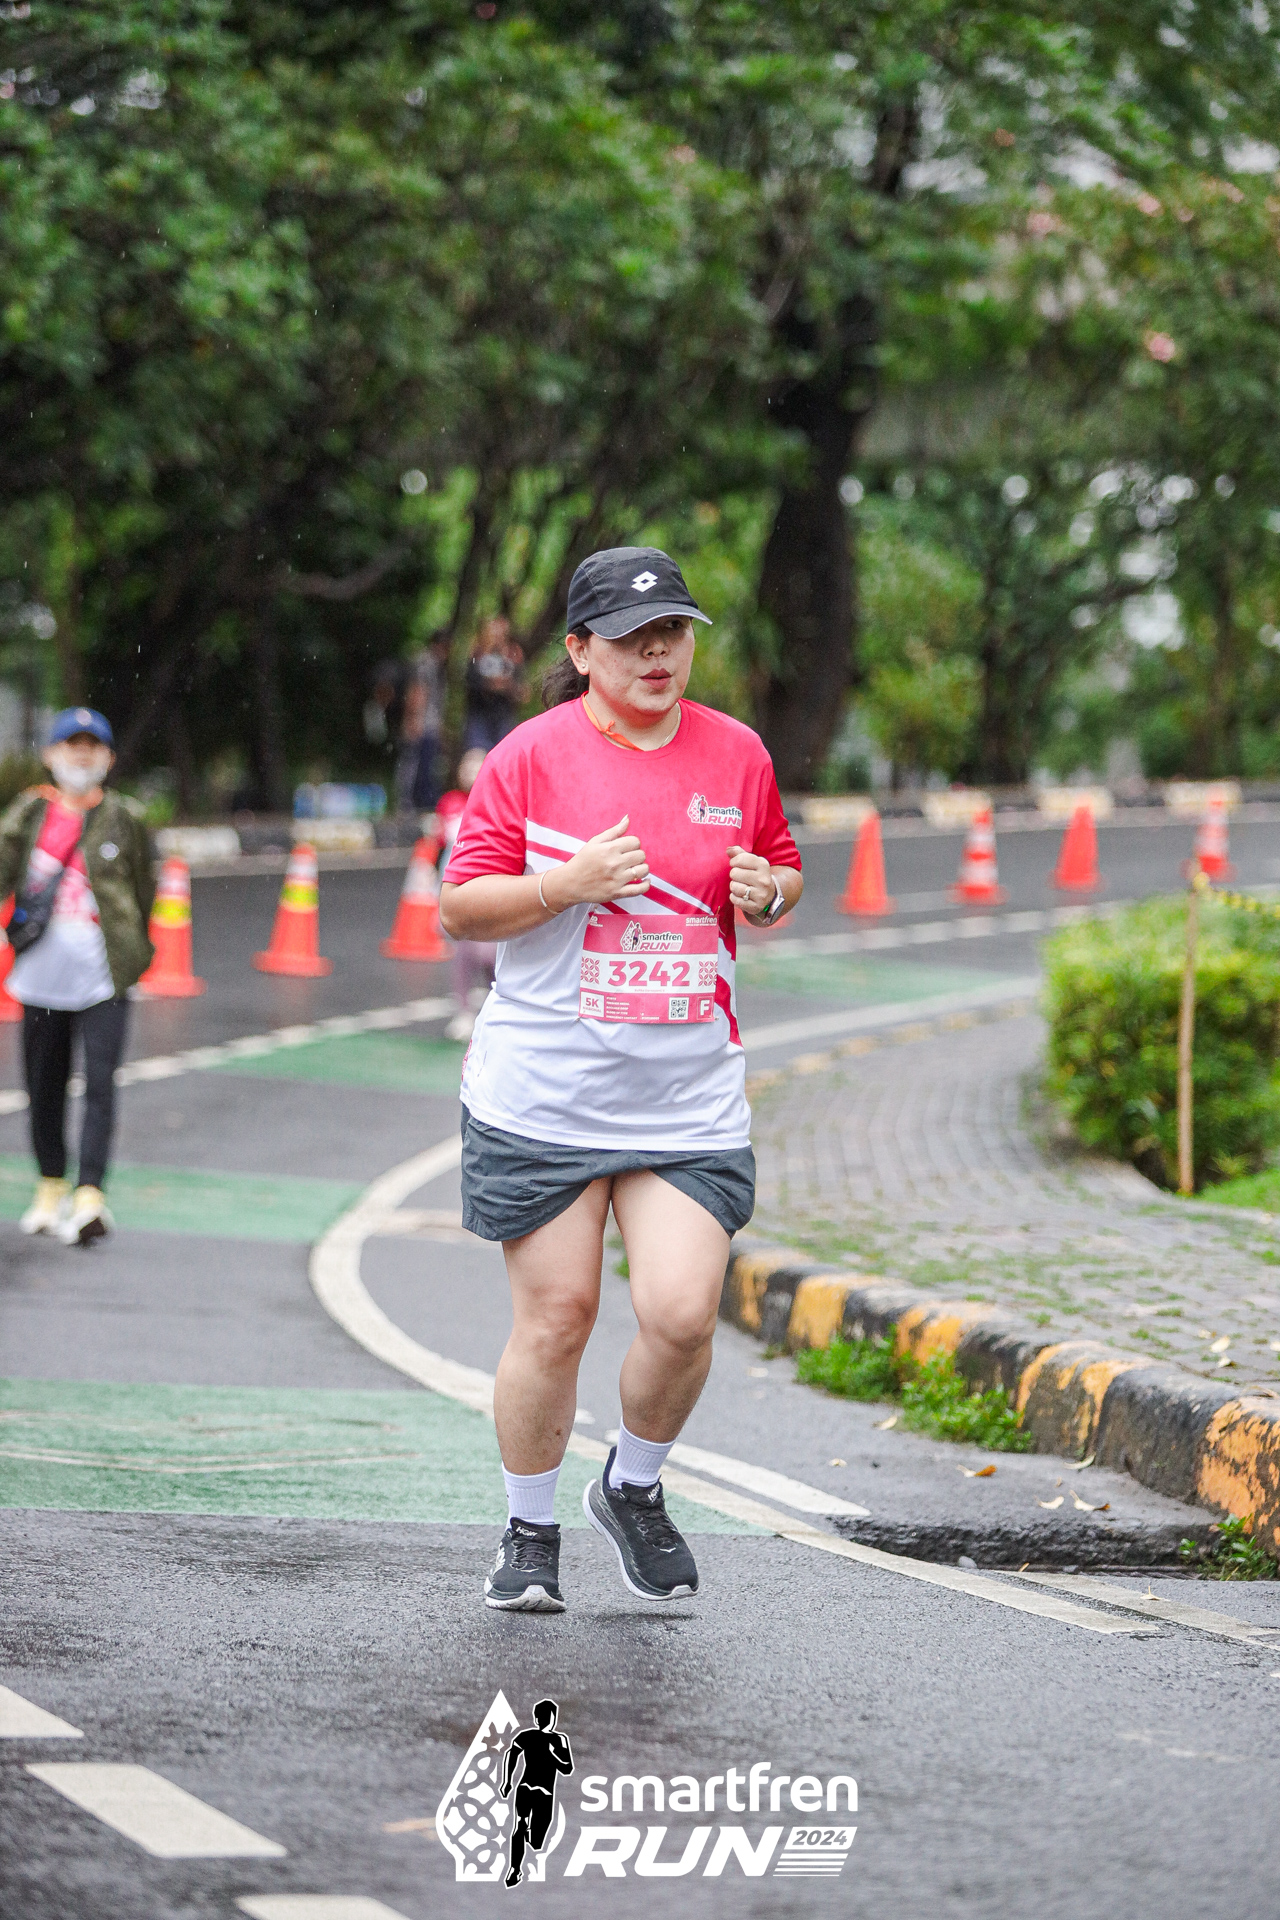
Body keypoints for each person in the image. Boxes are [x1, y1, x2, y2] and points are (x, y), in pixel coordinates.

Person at [439, 546, 803, 1612]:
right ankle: (528, 1529)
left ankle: (632, 1486)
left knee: (683, 1315)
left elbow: (781, 869)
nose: (657, 654)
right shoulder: (530, 755)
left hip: (684, 1097)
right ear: (580, 650)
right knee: (559, 1316)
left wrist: (770, 892)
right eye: (633, 637)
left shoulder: (736, 753)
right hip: (547, 1094)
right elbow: (461, 907)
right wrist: (563, 884)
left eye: (673, 633)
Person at [0, 707, 154, 1246]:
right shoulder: (28, 814)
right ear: (51, 754)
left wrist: (133, 949)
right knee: (44, 1085)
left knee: (100, 1083)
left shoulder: (125, 819)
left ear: (109, 758)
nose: (82, 755)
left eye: (92, 746)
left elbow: (145, 888)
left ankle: (90, 1195)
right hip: (40, 976)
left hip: (103, 977)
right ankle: (50, 1186)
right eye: (72, 744)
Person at [436, 748, 495, 1043]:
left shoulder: (497, 802)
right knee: (462, 953)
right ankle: (463, 1013)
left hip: (488, 888)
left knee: (489, 955)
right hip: (456, 886)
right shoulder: (450, 803)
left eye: (478, 766)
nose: (472, 773)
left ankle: (496, 1010)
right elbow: (439, 846)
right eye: (467, 766)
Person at [498, 1698, 573, 1887]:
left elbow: (567, 1768)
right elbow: (511, 1754)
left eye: (549, 1716)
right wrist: (507, 1781)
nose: (548, 1720)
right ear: (538, 1718)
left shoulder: (559, 1739)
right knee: (520, 1824)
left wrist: (551, 1755)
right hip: (529, 1789)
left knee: (536, 1841)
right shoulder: (528, 1736)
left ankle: (524, 1838)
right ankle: (515, 1869)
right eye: (545, 1716)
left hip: (539, 1792)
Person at [463, 616, 524, 752]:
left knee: (503, 752)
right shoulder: (477, 653)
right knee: (476, 753)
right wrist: (490, 684)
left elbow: (521, 688)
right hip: (479, 713)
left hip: (504, 715)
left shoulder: (513, 654)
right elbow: (469, 680)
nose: (497, 636)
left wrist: (509, 687)